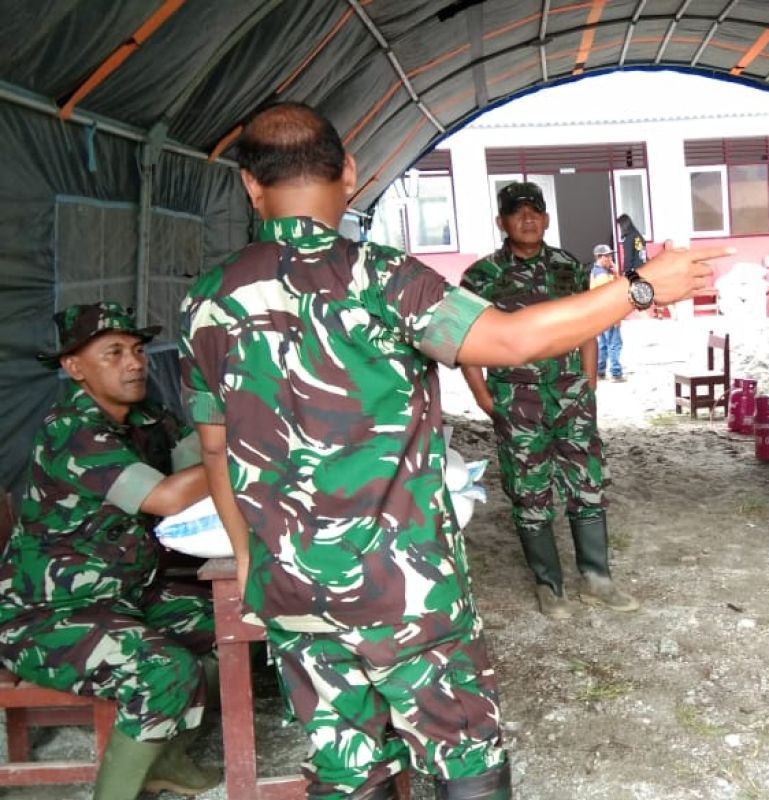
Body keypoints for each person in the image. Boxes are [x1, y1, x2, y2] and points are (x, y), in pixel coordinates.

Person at [178, 103, 726, 800]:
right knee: (462, 755)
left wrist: (252, 556)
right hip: (402, 588)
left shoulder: (206, 299)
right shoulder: (381, 278)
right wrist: (641, 288)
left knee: (347, 768)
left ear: (250, 186)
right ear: (349, 172)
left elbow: (216, 446)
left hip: (292, 588)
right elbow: (510, 340)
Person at [0, 302, 219, 800]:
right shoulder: (71, 432)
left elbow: (194, 455)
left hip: (122, 594)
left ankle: (167, 760)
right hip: (43, 614)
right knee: (165, 670)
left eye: (138, 350)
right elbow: (166, 496)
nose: (135, 362)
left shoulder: (145, 417)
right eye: (114, 352)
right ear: (73, 367)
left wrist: (222, 444)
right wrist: (231, 456)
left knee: (225, 626)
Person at [461, 184, 639, 621]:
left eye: (534, 212)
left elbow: (589, 325)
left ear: (546, 218)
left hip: (571, 396)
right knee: (529, 491)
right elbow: (461, 339)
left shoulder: (569, 268)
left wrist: (589, 384)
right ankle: (549, 585)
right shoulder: (481, 276)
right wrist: (485, 397)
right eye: (516, 213)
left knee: (588, 485)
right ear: (501, 221)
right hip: (516, 401)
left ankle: (597, 578)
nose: (527, 219)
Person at [590, 243, 624, 382]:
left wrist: (615, 273)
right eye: (608, 256)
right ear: (600, 257)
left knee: (603, 344)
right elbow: (610, 296)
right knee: (614, 343)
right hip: (608, 314)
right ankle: (616, 373)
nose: (610, 258)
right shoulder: (602, 275)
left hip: (599, 315)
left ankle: (600, 371)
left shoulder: (596, 271)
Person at [616, 213, 648, 278]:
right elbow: (640, 253)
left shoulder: (629, 238)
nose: (620, 229)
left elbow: (628, 257)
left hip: (634, 273)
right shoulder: (637, 235)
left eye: (620, 226)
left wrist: (625, 272)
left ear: (624, 225)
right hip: (644, 269)